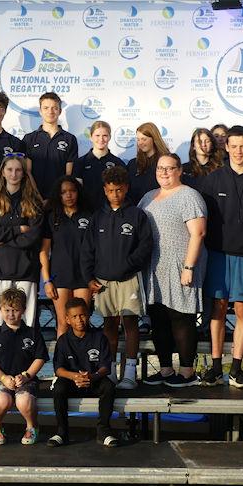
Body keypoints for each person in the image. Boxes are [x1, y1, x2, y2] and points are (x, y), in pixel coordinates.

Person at [198, 125, 243, 388]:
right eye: (234, 146)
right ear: (226, 147)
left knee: (242, 310)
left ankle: (237, 368)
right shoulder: (213, 179)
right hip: (217, 253)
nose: (239, 151)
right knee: (217, 310)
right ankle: (216, 366)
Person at [81, 165, 153, 389]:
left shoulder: (137, 215)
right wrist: (89, 277)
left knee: (130, 323)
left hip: (129, 279)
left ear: (126, 188)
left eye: (119, 190)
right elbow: (87, 250)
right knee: (109, 326)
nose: (115, 194)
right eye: (111, 190)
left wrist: (127, 265)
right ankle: (110, 371)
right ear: (104, 190)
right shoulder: (97, 217)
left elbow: (145, 247)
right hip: (103, 282)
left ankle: (129, 373)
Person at [139, 154, 207, 387]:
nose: (164, 173)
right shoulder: (148, 197)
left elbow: (198, 233)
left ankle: (187, 372)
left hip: (181, 265)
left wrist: (189, 267)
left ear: (179, 171)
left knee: (181, 317)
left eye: (169, 168)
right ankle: (166, 369)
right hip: (155, 268)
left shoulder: (189, 195)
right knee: (159, 318)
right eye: (160, 168)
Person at [0, 155, 44, 330]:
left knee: (28, 322)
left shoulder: (33, 202)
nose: (14, 174)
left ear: (24, 174)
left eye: (18, 170)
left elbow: (33, 237)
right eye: (10, 169)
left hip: (26, 268)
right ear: (3, 172)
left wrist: (2, 240)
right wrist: (18, 230)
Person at [48, 297, 119, 448]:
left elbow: (105, 367)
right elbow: (59, 369)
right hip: (72, 382)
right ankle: (62, 432)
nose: (79, 319)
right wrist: (74, 376)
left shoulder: (99, 337)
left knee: (108, 386)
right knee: (58, 388)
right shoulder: (63, 341)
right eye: (74, 316)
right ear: (67, 319)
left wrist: (91, 377)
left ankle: (103, 431)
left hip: (93, 380)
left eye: (82, 315)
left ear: (88, 315)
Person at [0, 288, 49, 445]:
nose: (11, 314)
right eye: (7, 310)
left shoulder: (33, 334)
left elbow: (40, 358)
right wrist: (4, 378)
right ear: (0, 309)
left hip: (27, 380)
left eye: (15, 310)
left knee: (24, 401)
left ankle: (32, 426)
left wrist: (26, 376)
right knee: (1, 401)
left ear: (24, 310)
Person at [40, 176, 92, 337]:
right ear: (59, 195)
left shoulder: (89, 216)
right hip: (60, 277)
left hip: (84, 277)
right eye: (64, 192)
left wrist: (94, 277)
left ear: (78, 192)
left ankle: (83, 362)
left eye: (72, 191)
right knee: (63, 322)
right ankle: (61, 362)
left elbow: (95, 249)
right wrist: (47, 281)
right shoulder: (52, 217)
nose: (69, 195)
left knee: (82, 324)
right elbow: (43, 251)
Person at [23, 92, 79, 200]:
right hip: (33, 199)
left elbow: (68, 175)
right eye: (46, 108)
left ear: (60, 111)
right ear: (40, 111)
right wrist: (37, 196)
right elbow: (27, 171)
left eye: (54, 108)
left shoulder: (70, 139)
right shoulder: (29, 139)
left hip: (59, 200)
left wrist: (55, 198)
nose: (50, 111)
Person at [72, 120, 125, 210]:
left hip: (110, 214)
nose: (101, 139)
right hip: (86, 212)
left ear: (109, 137)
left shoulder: (118, 163)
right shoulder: (80, 163)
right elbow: (77, 191)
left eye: (105, 135)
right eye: (97, 135)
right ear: (91, 137)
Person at [126, 122, 169, 204]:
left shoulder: (166, 162)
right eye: (138, 139)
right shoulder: (132, 164)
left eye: (144, 139)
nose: (140, 143)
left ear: (154, 138)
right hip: (137, 212)